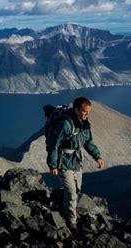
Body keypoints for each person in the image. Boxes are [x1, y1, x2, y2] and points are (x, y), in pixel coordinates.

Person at [47, 96, 104, 229]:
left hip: (77, 161)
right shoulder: (65, 124)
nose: (87, 114)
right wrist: (53, 165)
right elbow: (53, 145)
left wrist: (97, 156)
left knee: (77, 190)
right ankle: (71, 221)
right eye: (85, 112)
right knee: (71, 191)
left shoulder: (84, 123)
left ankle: (63, 204)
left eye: (89, 112)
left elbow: (88, 142)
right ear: (76, 110)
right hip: (64, 162)